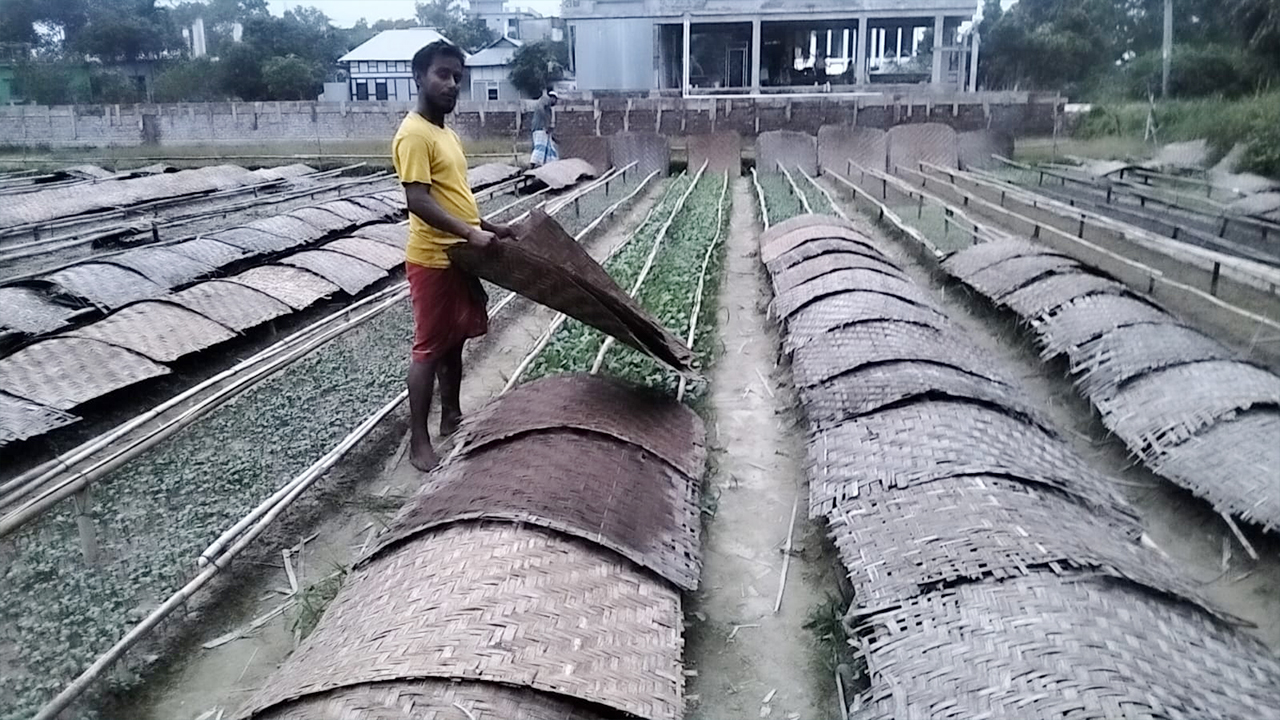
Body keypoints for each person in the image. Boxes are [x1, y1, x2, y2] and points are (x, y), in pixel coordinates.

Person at [393, 40, 515, 471]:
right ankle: (418, 442)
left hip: (460, 254)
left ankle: (451, 416)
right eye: (442, 74)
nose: (451, 84)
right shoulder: (413, 134)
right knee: (428, 348)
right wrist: (467, 232)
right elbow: (419, 200)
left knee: (453, 343)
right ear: (419, 77)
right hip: (433, 258)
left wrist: (488, 227)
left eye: (457, 78)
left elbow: (454, 196)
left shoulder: (445, 133)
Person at [530, 89, 558, 166]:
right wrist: (546, 123)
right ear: (553, 98)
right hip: (540, 128)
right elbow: (540, 108)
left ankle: (548, 165)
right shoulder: (545, 99)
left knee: (549, 148)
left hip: (543, 130)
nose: (556, 103)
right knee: (540, 147)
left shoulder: (548, 109)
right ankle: (533, 164)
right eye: (556, 100)